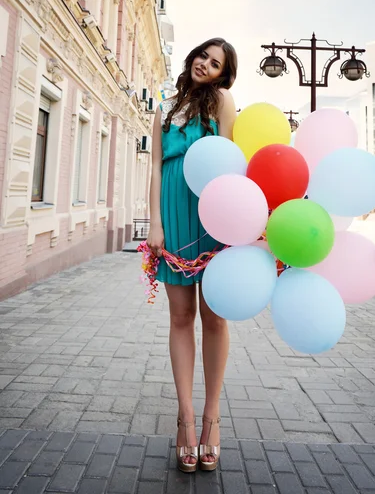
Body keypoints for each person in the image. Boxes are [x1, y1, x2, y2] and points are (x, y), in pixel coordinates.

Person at [147, 37, 238, 472]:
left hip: (212, 216)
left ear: (224, 73)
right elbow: (155, 165)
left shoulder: (221, 102)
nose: (205, 64)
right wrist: (155, 222)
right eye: (203, 55)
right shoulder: (165, 103)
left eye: (216, 62)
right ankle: (184, 418)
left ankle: (211, 419)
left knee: (214, 317)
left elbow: (231, 162)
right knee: (180, 317)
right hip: (173, 214)